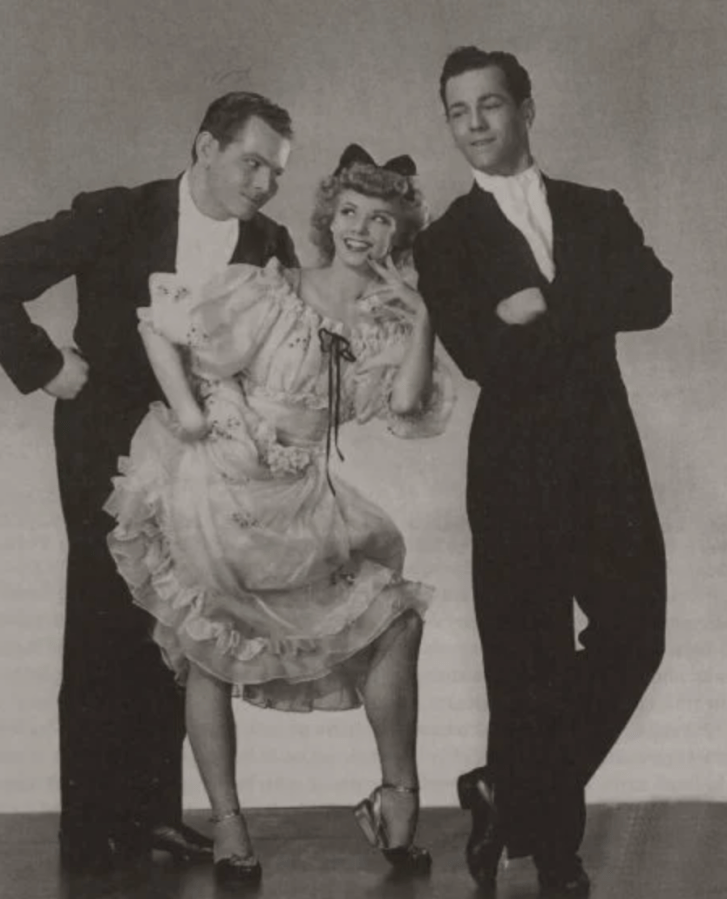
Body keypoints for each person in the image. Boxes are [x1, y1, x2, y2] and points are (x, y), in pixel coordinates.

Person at [103, 144, 454, 884]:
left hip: (301, 502)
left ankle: (397, 801)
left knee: (395, 618)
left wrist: (423, 316)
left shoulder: (390, 325)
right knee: (210, 642)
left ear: (400, 233)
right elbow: (162, 328)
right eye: (349, 211)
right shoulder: (273, 288)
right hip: (222, 482)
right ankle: (229, 828)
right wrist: (197, 418)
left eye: (380, 219)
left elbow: (405, 406)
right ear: (328, 217)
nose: (360, 229)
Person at [0, 91, 298, 871]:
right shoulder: (117, 213)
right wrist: (43, 363)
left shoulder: (269, 240)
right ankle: (90, 827)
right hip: (107, 443)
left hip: (208, 454)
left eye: (276, 171)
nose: (264, 183)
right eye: (251, 162)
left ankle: (153, 815)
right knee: (105, 617)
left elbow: (282, 352)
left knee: (179, 625)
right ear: (205, 147)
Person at [414, 47, 672, 896]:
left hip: (605, 456)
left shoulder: (596, 207)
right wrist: (574, 309)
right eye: (458, 111)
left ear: (525, 108)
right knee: (529, 665)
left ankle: (505, 791)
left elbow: (653, 295)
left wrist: (544, 304)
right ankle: (555, 856)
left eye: (489, 104)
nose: (474, 124)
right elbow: (486, 356)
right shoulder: (442, 241)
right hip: (512, 465)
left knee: (634, 633)